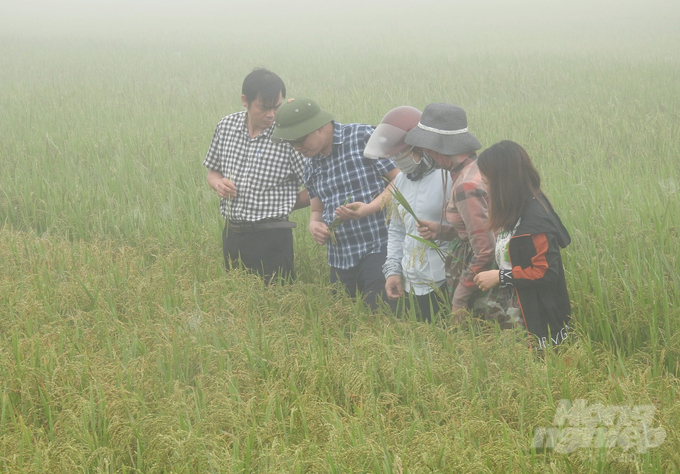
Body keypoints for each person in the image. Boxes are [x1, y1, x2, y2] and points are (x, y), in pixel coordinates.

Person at [271, 97, 399, 311]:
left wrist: (370, 208)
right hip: (340, 257)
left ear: (320, 127)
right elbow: (317, 209)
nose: (297, 148)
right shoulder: (311, 164)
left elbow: (399, 180)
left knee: (381, 317)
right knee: (344, 320)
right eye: (292, 143)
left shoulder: (363, 137)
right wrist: (314, 225)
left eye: (300, 140)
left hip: (378, 246)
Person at [203, 68, 309, 283]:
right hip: (232, 233)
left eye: (276, 107)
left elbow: (318, 186)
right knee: (237, 301)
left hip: (273, 238)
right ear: (245, 100)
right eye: (264, 108)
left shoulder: (288, 137)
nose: (271, 115)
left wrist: (287, 204)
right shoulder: (226, 127)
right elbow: (213, 171)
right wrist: (218, 185)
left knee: (275, 304)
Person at [473, 140, 571, 348]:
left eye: (487, 183)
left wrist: (500, 276)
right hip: (517, 307)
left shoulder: (535, 222)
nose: (484, 189)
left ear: (504, 184)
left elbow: (545, 272)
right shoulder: (516, 209)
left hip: (537, 317)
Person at [405, 103, 495, 323]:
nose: (426, 156)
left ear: (437, 150)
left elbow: (485, 249)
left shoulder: (466, 186)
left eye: (426, 150)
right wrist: (444, 231)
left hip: (481, 281)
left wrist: (460, 298)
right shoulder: (476, 168)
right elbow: (479, 229)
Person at [363, 106, 452, 322]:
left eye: (401, 153)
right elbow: (396, 230)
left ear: (420, 147)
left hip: (445, 280)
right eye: (394, 156)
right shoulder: (401, 181)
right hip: (411, 282)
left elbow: (467, 228)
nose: (398, 160)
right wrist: (392, 271)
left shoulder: (447, 178)